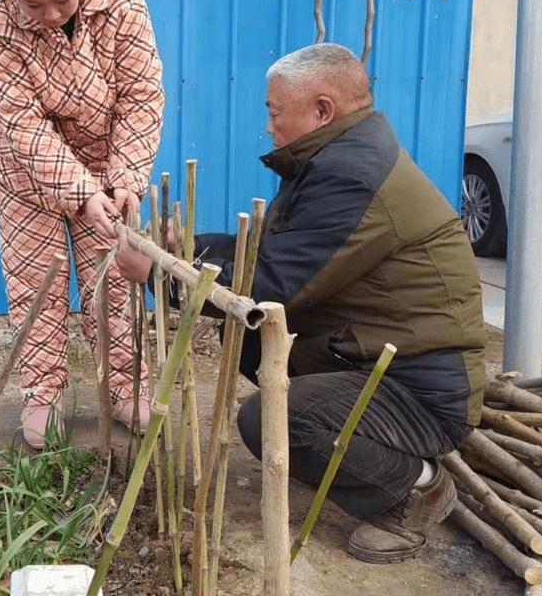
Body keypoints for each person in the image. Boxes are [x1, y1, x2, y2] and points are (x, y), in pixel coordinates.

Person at [116, 42, 487, 562]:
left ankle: (417, 488)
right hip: (383, 360)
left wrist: (160, 276)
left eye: (274, 112)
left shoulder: (352, 174)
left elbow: (269, 288)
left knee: (270, 416)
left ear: (321, 110)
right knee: (246, 343)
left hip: (421, 389)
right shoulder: (342, 157)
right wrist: (189, 249)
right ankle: (358, 452)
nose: (269, 127)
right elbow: (275, 250)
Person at [0, 0, 165, 450]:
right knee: (35, 282)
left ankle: (128, 385)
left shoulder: (122, 1)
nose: (48, 16)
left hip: (108, 164)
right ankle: (42, 393)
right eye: (32, 7)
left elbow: (141, 95)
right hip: (23, 167)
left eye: (60, 0)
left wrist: (125, 177)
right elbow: (23, 120)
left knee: (114, 273)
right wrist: (78, 192)